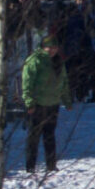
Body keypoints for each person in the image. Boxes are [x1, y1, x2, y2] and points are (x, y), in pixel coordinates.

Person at [20, 42, 68, 173]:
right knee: (33, 137)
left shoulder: (58, 61)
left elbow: (64, 81)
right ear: (43, 47)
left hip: (53, 103)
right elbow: (27, 83)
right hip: (37, 104)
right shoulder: (34, 61)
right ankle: (30, 167)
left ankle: (51, 165)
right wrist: (29, 102)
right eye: (50, 47)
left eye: (55, 47)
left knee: (50, 136)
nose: (52, 50)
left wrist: (66, 99)